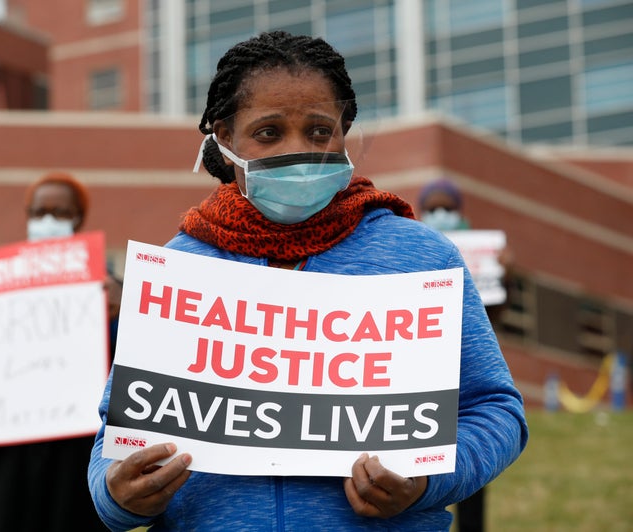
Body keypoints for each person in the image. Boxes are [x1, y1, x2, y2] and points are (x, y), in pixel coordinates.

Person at [87, 31, 528, 531]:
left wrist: (426, 482)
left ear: (345, 133)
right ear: (224, 138)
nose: (299, 151)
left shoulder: (421, 258)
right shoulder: (180, 268)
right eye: (269, 132)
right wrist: (118, 496)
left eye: (320, 132)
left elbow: (495, 411)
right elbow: (115, 439)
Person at [0, 172, 118, 532]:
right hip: (8, 462)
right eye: (40, 212)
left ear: (79, 219)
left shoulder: (107, 291)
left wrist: (126, 301)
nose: (48, 221)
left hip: (76, 462)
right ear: (27, 216)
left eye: (61, 213)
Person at [418, 178, 511, 532]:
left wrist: (506, 275)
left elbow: (498, 314)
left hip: (465, 375)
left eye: (448, 208)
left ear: (460, 212)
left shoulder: (482, 251)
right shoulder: (416, 248)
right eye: (433, 208)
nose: (440, 214)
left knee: (470, 466)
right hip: (424, 373)